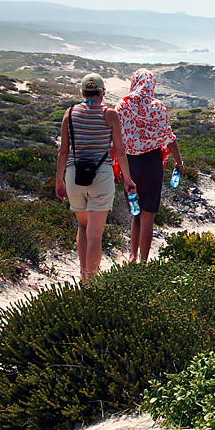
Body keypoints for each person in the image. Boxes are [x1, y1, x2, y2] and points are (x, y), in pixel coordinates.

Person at [55, 73, 136, 282]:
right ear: (102, 93)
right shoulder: (110, 115)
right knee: (94, 235)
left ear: (83, 92)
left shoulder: (70, 113)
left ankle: (83, 278)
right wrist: (127, 179)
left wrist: (59, 180)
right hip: (101, 176)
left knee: (82, 228)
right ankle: (91, 282)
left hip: (74, 176)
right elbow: (119, 151)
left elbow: (63, 151)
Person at [116, 68, 185, 263]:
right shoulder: (159, 107)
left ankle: (132, 256)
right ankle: (144, 260)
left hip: (129, 164)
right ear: (151, 84)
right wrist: (179, 162)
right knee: (148, 216)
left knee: (136, 212)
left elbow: (115, 138)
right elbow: (169, 138)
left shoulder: (122, 105)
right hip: (152, 163)